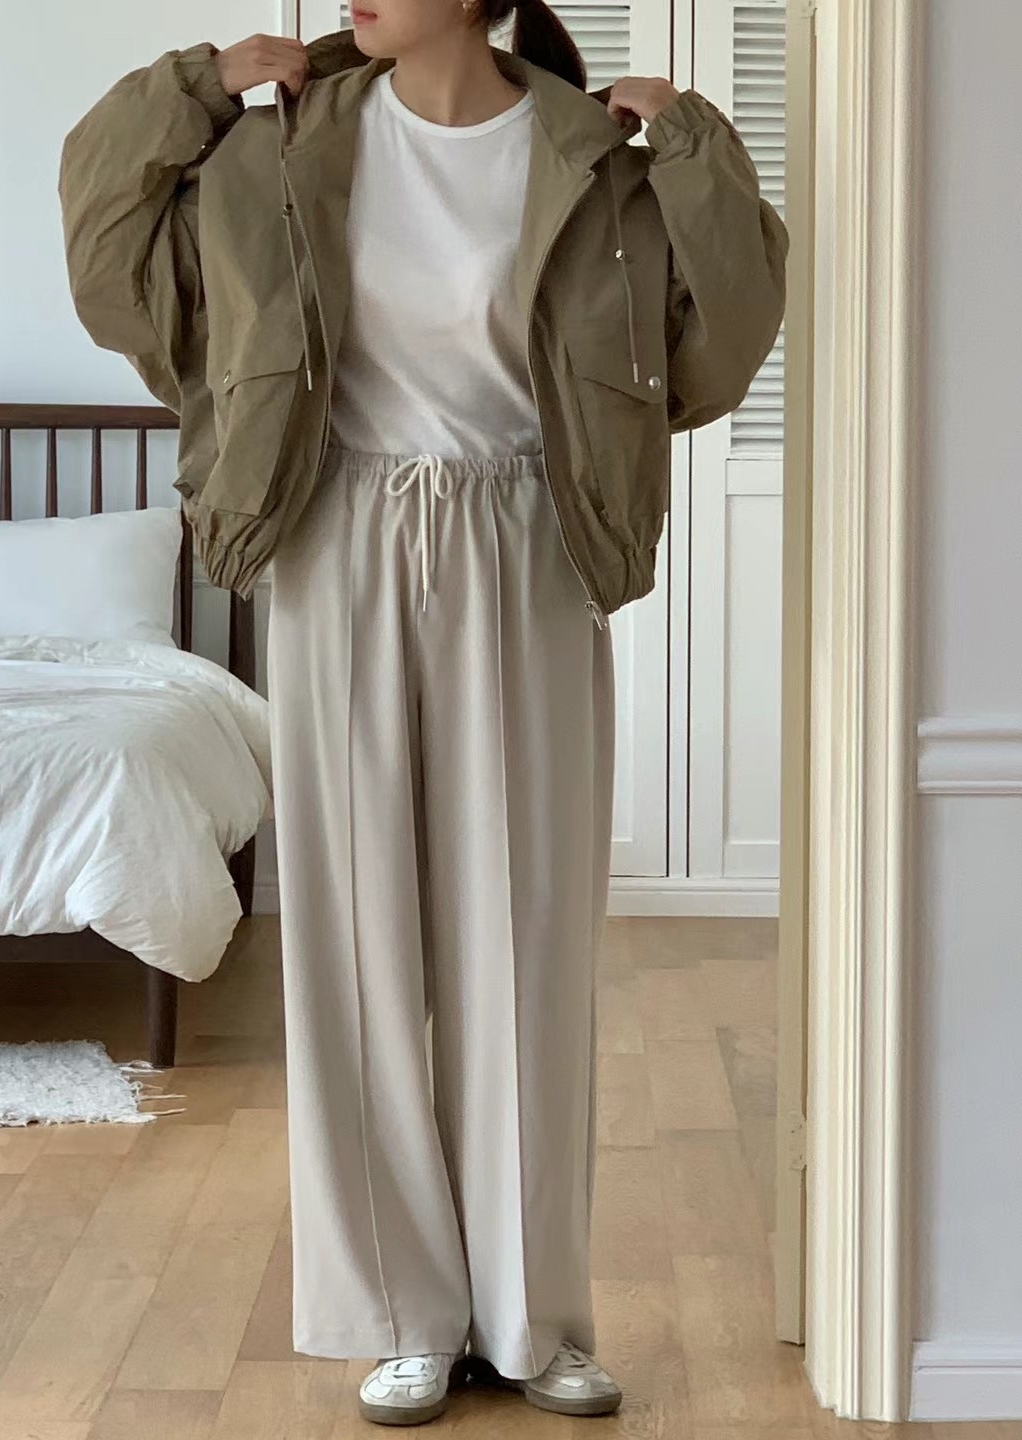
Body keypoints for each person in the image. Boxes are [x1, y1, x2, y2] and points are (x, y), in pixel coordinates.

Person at [59, 0, 787, 1425]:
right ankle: (407, 1310)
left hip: (530, 541)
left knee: (528, 934)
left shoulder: (595, 156)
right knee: (357, 940)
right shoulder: (278, 143)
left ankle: (533, 1318)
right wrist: (191, 88)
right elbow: (111, 270)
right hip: (333, 537)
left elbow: (718, 348)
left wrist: (699, 147)